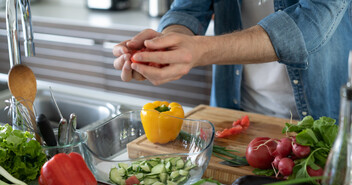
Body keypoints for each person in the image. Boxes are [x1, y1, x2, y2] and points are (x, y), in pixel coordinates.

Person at [113, 0, 352, 121]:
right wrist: (166, 44)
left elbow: (309, 23)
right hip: (233, 115)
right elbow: (188, 9)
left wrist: (199, 51)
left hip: (318, 120)